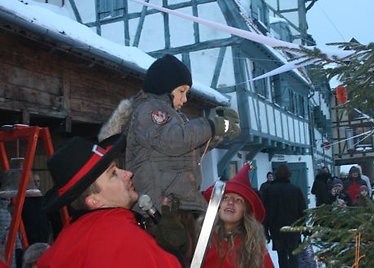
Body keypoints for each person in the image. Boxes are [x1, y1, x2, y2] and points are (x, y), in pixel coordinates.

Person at [98, 54, 240, 265]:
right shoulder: (149, 110)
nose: (184, 99)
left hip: (178, 208)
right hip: (159, 211)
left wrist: (219, 132)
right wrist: (210, 125)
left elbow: (189, 150)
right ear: (165, 86)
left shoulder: (173, 115)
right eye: (182, 91)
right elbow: (174, 141)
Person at [37, 135, 180, 267]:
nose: (128, 174)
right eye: (113, 174)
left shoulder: (66, 242)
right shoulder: (124, 241)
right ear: (94, 201)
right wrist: (174, 252)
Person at [202, 163, 274, 268]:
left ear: (245, 211)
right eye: (225, 198)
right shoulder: (202, 238)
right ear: (219, 206)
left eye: (238, 200)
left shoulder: (254, 247)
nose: (230, 202)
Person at [263, 164, 307, 268]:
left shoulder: (269, 191)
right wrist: (304, 227)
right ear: (289, 175)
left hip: (277, 230)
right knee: (294, 257)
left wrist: (265, 230)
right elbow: (303, 211)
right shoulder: (295, 189)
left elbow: (265, 212)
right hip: (293, 228)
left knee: (281, 257)